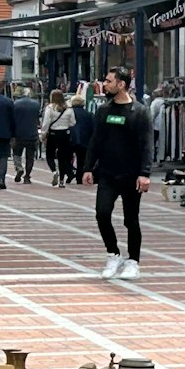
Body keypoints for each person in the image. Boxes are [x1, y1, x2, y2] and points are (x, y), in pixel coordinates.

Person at [80, 68, 152, 281]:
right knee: (102, 213)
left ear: (121, 84)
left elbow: (147, 144)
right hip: (108, 174)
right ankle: (113, 254)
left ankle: (133, 261)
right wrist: (87, 168)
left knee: (131, 220)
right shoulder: (103, 111)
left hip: (131, 175)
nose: (105, 84)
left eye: (109, 81)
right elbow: (95, 141)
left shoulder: (139, 111)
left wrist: (144, 173)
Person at [42, 89, 77, 187]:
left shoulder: (50, 108)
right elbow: (73, 122)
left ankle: (54, 171)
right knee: (63, 158)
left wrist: (43, 134)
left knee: (50, 155)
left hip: (53, 133)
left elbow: (46, 123)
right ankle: (62, 180)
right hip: (65, 134)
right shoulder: (69, 108)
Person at [10, 87, 41, 184]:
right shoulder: (36, 105)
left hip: (18, 134)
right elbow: (37, 119)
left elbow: (12, 120)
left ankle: (19, 167)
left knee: (16, 153)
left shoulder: (15, 104)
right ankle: (27, 176)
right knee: (30, 157)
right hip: (32, 134)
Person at [69, 83, 96, 181]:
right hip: (84, 140)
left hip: (70, 138)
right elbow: (93, 128)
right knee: (82, 159)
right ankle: (79, 177)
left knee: (67, 157)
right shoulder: (88, 114)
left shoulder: (68, 112)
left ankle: (69, 174)